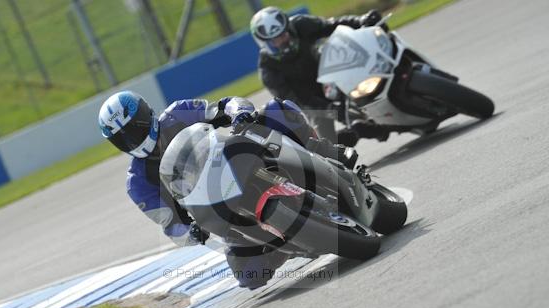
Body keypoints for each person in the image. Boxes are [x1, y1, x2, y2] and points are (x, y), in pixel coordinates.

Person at [98, 91, 347, 289]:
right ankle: (287, 245)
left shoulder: (178, 113)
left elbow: (224, 106)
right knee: (250, 276)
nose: (133, 139)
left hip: (237, 162)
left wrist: (239, 113)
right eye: (123, 138)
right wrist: (190, 232)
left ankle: (325, 151)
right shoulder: (138, 183)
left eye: (134, 129)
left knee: (275, 110)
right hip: (218, 210)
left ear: (146, 114)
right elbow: (170, 223)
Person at [250, 6, 388, 144]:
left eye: (283, 34)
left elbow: (332, 25)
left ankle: (384, 99)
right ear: (265, 43)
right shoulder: (268, 70)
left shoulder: (301, 24)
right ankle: (359, 130)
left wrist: (360, 20)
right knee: (326, 147)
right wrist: (329, 108)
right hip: (311, 101)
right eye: (276, 40)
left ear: (289, 28)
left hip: (332, 73)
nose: (283, 40)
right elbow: (296, 102)